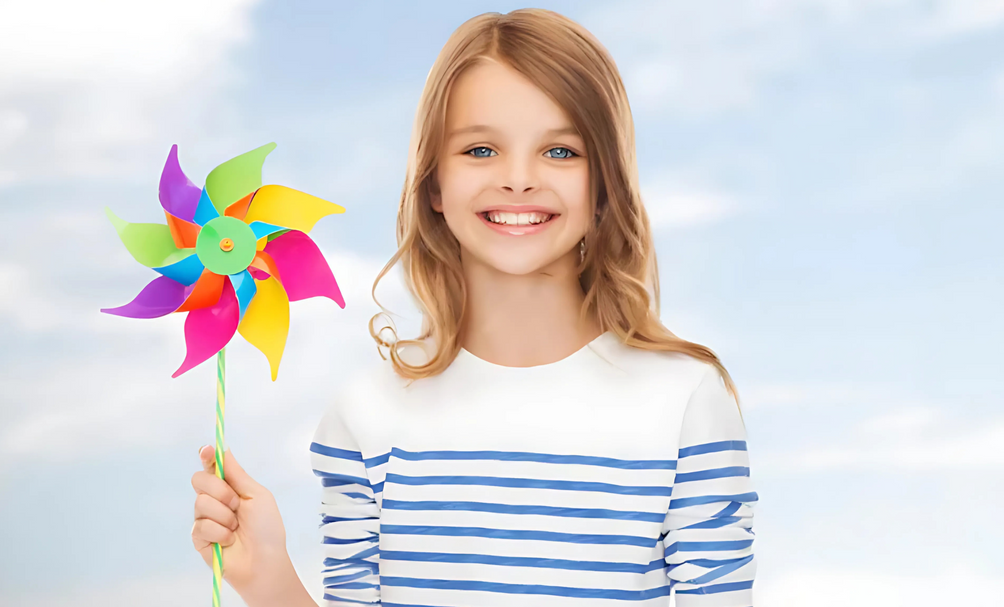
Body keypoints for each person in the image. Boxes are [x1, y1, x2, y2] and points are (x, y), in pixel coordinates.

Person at [191, 8, 758, 606]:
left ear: (605, 183)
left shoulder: (685, 400)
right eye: (481, 149)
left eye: (561, 151)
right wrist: (267, 581)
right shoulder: (364, 413)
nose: (518, 179)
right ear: (433, 183)